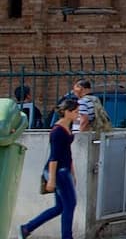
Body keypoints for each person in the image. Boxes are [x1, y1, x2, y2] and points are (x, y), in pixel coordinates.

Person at [22, 98, 80, 239]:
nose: (78, 114)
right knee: (70, 204)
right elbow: (54, 157)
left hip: (64, 170)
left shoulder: (68, 126)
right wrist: (52, 179)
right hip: (58, 171)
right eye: (75, 111)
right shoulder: (57, 131)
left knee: (60, 207)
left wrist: (73, 172)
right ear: (67, 112)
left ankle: (27, 228)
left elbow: (67, 152)